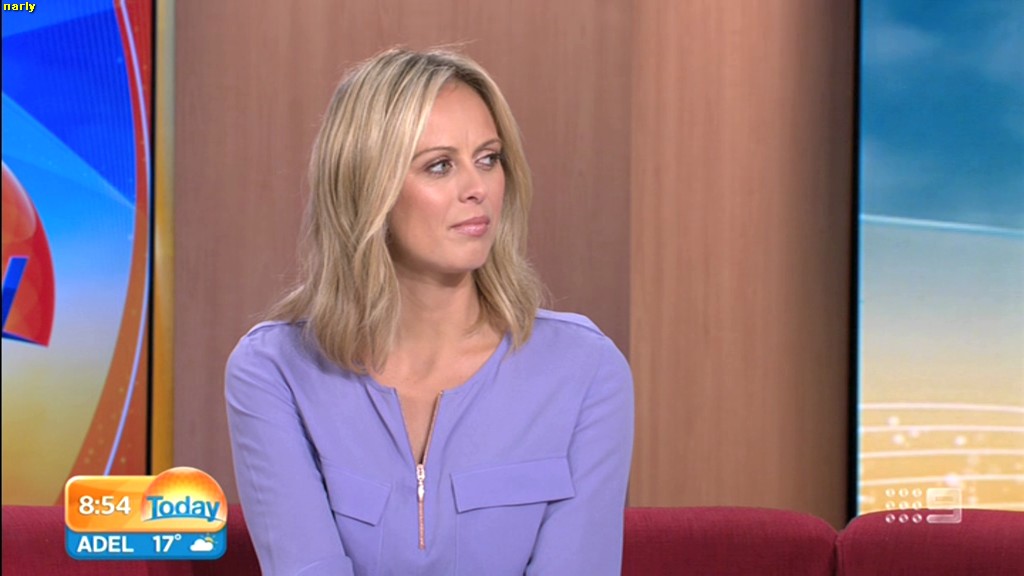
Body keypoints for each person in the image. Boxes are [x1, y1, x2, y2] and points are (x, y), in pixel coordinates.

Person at [225, 47, 634, 576]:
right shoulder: (275, 372)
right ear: (367, 187)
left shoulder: (586, 371)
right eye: (440, 166)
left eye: (488, 159)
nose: (478, 189)